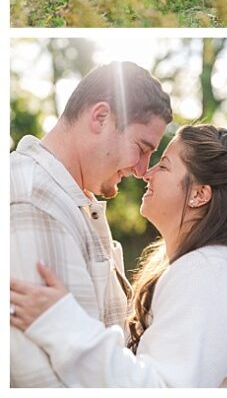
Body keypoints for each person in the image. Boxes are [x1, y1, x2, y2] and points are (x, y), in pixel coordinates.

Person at [10, 125, 227, 388]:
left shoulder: (209, 273)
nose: (146, 174)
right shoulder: (204, 267)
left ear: (199, 194)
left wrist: (61, 324)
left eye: (163, 166)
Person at [9, 61, 172, 387]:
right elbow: (38, 380)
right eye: (141, 149)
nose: (142, 170)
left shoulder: (71, 200)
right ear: (100, 118)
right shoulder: (34, 200)